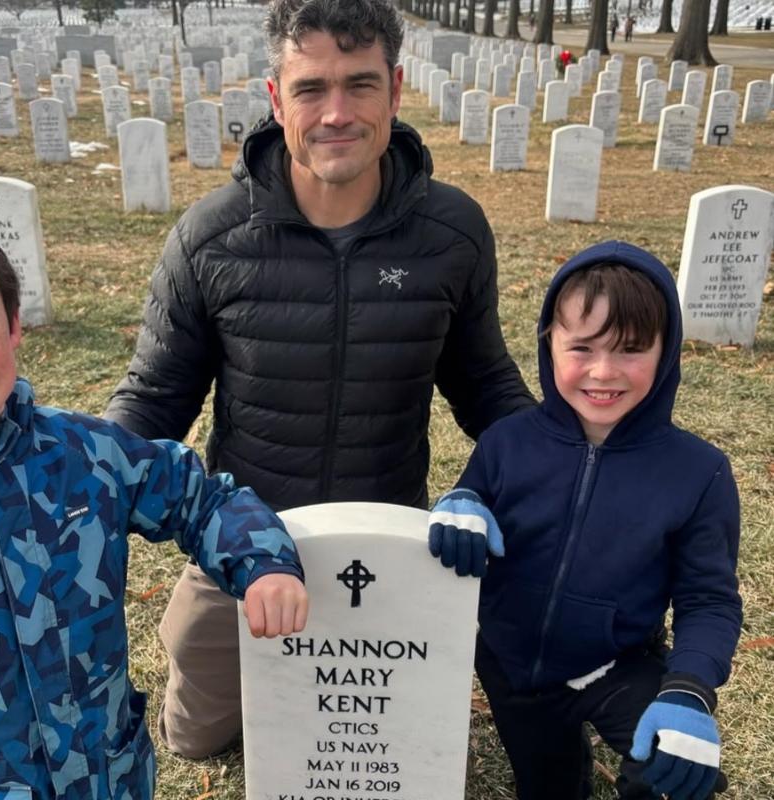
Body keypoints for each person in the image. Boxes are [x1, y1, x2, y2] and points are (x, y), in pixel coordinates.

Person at [105, 0, 534, 760]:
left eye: (359, 85)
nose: (336, 112)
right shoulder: (210, 236)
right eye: (310, 88)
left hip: (388, 539)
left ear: (395, 92)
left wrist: (549, 468)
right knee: (196, 741)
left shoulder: (451, 232)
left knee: (396, 750)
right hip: (245, 540)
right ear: (276, 100)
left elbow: (486, 385)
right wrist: (78, 485)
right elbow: (154, 398)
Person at [0, 190, 309, 800]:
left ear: (14, 323)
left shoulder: (83, 454)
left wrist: (262, 562)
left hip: (107, 776)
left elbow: (198, 495)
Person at [428, 241, 742, 799]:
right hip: (512, 667)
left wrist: (690, 690)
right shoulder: (506, 442)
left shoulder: (699, 472)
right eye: (582, 347)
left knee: (669, 775)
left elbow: (709, 599)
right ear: (549, 342)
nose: (603, 371)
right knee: (550, 788)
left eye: (631, 349)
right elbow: (472, 497)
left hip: (618, 664)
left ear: (668, 351)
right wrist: (461, 504)